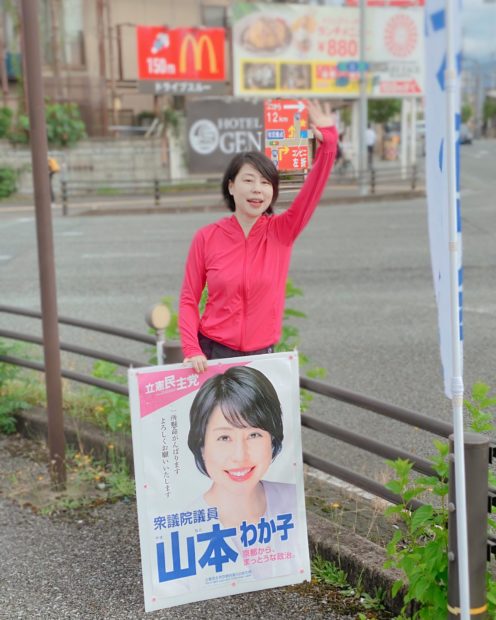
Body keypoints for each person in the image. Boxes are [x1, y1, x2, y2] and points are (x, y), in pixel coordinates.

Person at [179, 100, 337, 373]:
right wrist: (192, 349)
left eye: (266, 183)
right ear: (231, 186)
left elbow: (312, 191)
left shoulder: (282, 232)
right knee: (215, 417)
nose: (257, 190)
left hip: (262, 358)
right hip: (213, 353)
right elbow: (189, 299)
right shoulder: (206, 237)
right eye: (249, 180)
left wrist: (329, 143)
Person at [187, 365, 304, 580]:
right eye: (224, 438)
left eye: (254, 435)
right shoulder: (186, 528)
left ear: (273, 439)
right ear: (201, 445)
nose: (240, 456)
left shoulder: (293, 501)